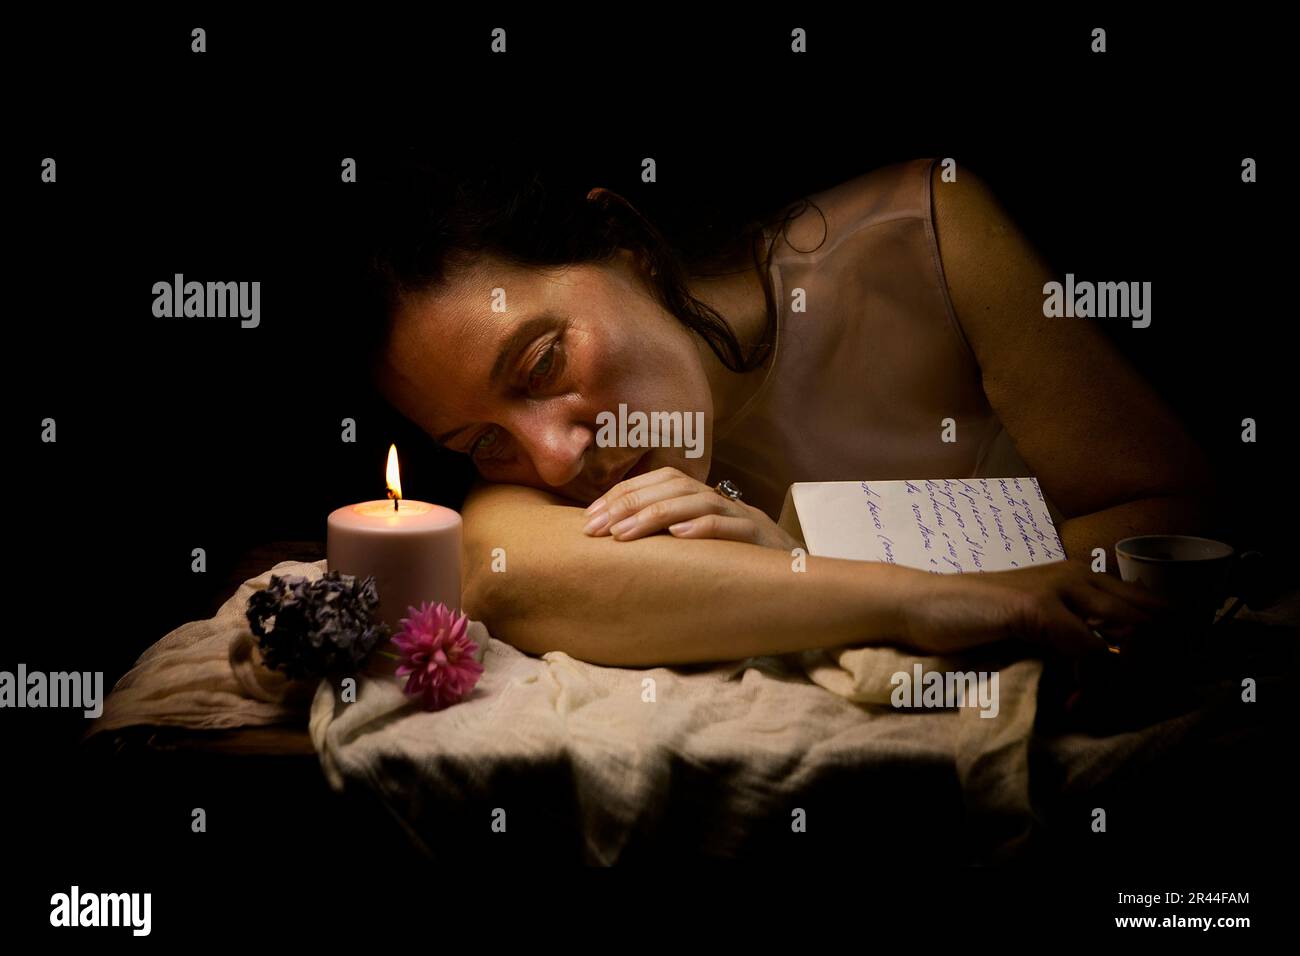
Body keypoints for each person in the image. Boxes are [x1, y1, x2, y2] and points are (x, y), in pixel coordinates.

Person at [360, 156, 1219, 666]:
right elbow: (514, 576)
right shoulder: (536, 477)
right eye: (481, 441)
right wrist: (874, 592)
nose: (552, 460)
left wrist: (812, 555)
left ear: (619, 244)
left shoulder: (923, 235)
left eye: (544, 362)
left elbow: (1174, 521)